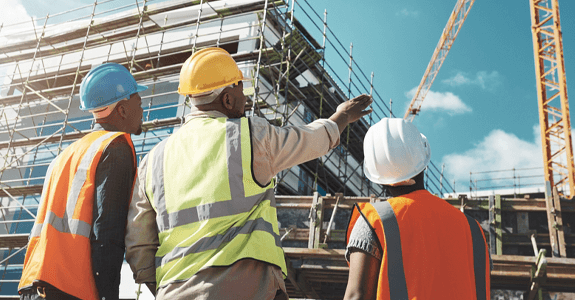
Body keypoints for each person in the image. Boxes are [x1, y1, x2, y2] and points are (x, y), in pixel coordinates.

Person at [126, 47, 372, 300]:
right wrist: (342, 116)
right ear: (227, 99)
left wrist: (170, 290)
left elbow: (138, 246)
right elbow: (312, 140)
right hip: (248, 289)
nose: (245, 99)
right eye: (241, 90)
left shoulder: (152, 160)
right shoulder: (247, 135)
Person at [18, 63, 158, 300]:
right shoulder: (115, 146)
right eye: (139, 103)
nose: (143, 109)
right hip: (71, 288)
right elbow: (107, 233)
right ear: (122, 110)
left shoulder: (65, 155)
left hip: (34, 284)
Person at [343, 118, 491, 300]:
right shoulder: (474, 231)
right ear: (424, 161)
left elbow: (356, 296)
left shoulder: (375, 221)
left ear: (377, 176)